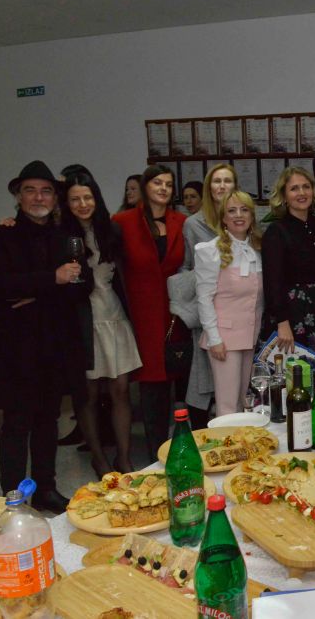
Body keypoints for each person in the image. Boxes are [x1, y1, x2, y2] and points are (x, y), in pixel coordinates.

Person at [0, 161, 91, 513]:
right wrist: (50, 280)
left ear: (55, 198)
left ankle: (46, 489)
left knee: (48, 422)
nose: (38, 197)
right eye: (30, 190)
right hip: (17, 350)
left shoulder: (65, 236)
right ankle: (12, 498)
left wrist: (35, 291)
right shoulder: (1, 235)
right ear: (18, 196)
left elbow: (81, 286)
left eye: (45, 191)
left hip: (55, 346)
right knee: (16, 425)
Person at [63, 171, 142, 475]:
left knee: (120, 390)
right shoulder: (60, 234)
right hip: (82, 319)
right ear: (66, 203)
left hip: (113, 313)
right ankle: (98, 456)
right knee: (88, 394)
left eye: (87, 197)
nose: (83, 204)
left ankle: (124, 456)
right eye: (75, 199)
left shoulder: (111, 230)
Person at [113, 164, 186, 462]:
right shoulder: (123, 222)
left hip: (176, 316)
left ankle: (182, 450)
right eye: (157, 183)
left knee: (180, 386)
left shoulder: (182, 221)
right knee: (151, 388)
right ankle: (156, 455)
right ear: (145, 187)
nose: (163, 188)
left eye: (168, 184)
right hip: (141, 316)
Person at [262, 166, 315, 382]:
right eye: (294, 188)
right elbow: (272, 282)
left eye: (306, 187)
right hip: (291, 317)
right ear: (284, 196)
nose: (302, 193)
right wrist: (282, 323)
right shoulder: (276, 230)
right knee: (293, 381)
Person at [195, 191, 264, 415]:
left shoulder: (258, 248)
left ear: (252, 215)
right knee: (227, 405)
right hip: (224, 339)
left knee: (244, 401)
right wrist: (214, 339)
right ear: (223, 218)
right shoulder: (210, 250)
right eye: (232, 211)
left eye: (244, 210)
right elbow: (204, 298)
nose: (238, 215)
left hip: (250, 336)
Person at [182, 163, 239, 427]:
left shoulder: (243, 217)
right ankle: (202, 432)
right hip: (207, 311)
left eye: (228, 181)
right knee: (205, 378)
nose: (222, 186)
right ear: (208, 187)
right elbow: (185, 267)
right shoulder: (193, 224)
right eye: (217, 181)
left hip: (238, 312)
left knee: (234, 384)